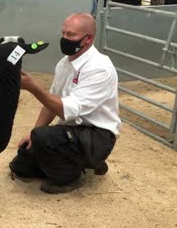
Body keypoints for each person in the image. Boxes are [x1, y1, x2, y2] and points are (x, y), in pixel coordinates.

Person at [9, 13, 120, 194]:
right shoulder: (64, 64)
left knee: (43, 138)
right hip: (72, 131)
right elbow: (52, 102)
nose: (64, 39)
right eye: (63, 33)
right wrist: (32, 133)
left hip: (97, 135)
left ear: (88, 38)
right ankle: (85, 162)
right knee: (21, 164)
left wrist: (33, 87)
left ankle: (74, 176)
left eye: (71, 35)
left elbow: (66, 110)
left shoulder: (99, 68)